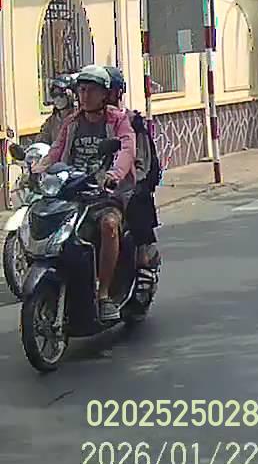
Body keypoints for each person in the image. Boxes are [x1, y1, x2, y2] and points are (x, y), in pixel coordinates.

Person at [33, 65, 137, 321]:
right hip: (73, 190)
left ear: (104, 94)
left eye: (91, 90)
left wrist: (114, 175)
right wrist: (38, 169)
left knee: (109, 225)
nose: (85, 95)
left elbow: (126, 150)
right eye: (81, 90)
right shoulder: (72, 122)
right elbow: (56, 151)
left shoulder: (117, 120)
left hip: (105, 193)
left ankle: (104, 295)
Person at [104, 66, 162, 271]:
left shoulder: (130, 121)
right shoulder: (77, 122)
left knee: (137, 199)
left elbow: (142, 164)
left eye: (104, 91)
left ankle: (143, 255)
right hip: (93, 184)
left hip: (125, 183)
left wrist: (125, 180)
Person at [37, 74, 78, 144]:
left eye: (61, 94)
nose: (57, 99)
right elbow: (42, 140)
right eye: (54, 95)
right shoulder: (52, 121)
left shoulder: (79, 118)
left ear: (70, 94)